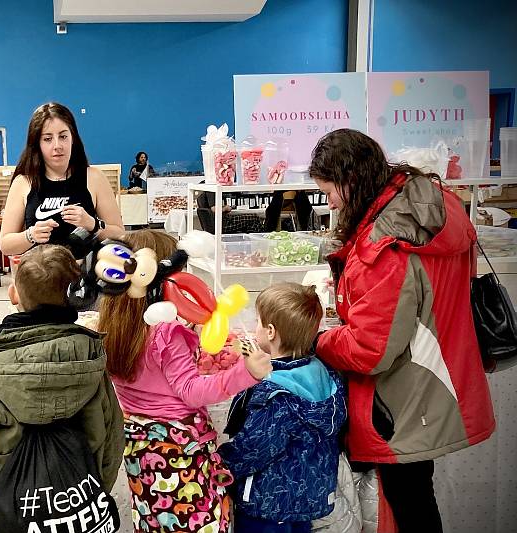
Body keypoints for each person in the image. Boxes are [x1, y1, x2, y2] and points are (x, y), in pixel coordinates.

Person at [310, 129, 495, 533]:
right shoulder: (425, 206)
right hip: (434, 375)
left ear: (352, 180)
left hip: (402, 394)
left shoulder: (386, 245)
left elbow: (368, 349)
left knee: (408, 502)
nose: (330, 202)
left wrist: (317, 339)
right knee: (413, 496)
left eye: (330, 191)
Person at [98, 229, 272, 533]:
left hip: (139, 445)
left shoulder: (113, 325)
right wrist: (247, 372)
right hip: (179, 448)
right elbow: (192, 392)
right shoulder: (166, 333)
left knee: (155, 517)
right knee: (196, 519)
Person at [0, 244, 124, 533]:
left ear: (14, 294)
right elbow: (113, 438)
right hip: (76, 509)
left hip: (6, 515)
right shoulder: (91, 360)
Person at [218, 283, 347, 533]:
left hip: (267, 504)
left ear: (270, 331)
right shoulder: (325, 374)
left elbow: (255, 447)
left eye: (257, 321)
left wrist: (221, 462)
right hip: (308, 499)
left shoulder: (274, 394)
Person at [0, 102, 124, 258]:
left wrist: (92, 224)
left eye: (63, 136)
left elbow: (120, 234)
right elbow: (5, 244)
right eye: (47, 139)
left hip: (83, 277)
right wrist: (30, 235)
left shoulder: (95, 178)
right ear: (37, 143)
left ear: (73, 138)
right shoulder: (23, 183)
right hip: (40, 277)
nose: (57, 145)